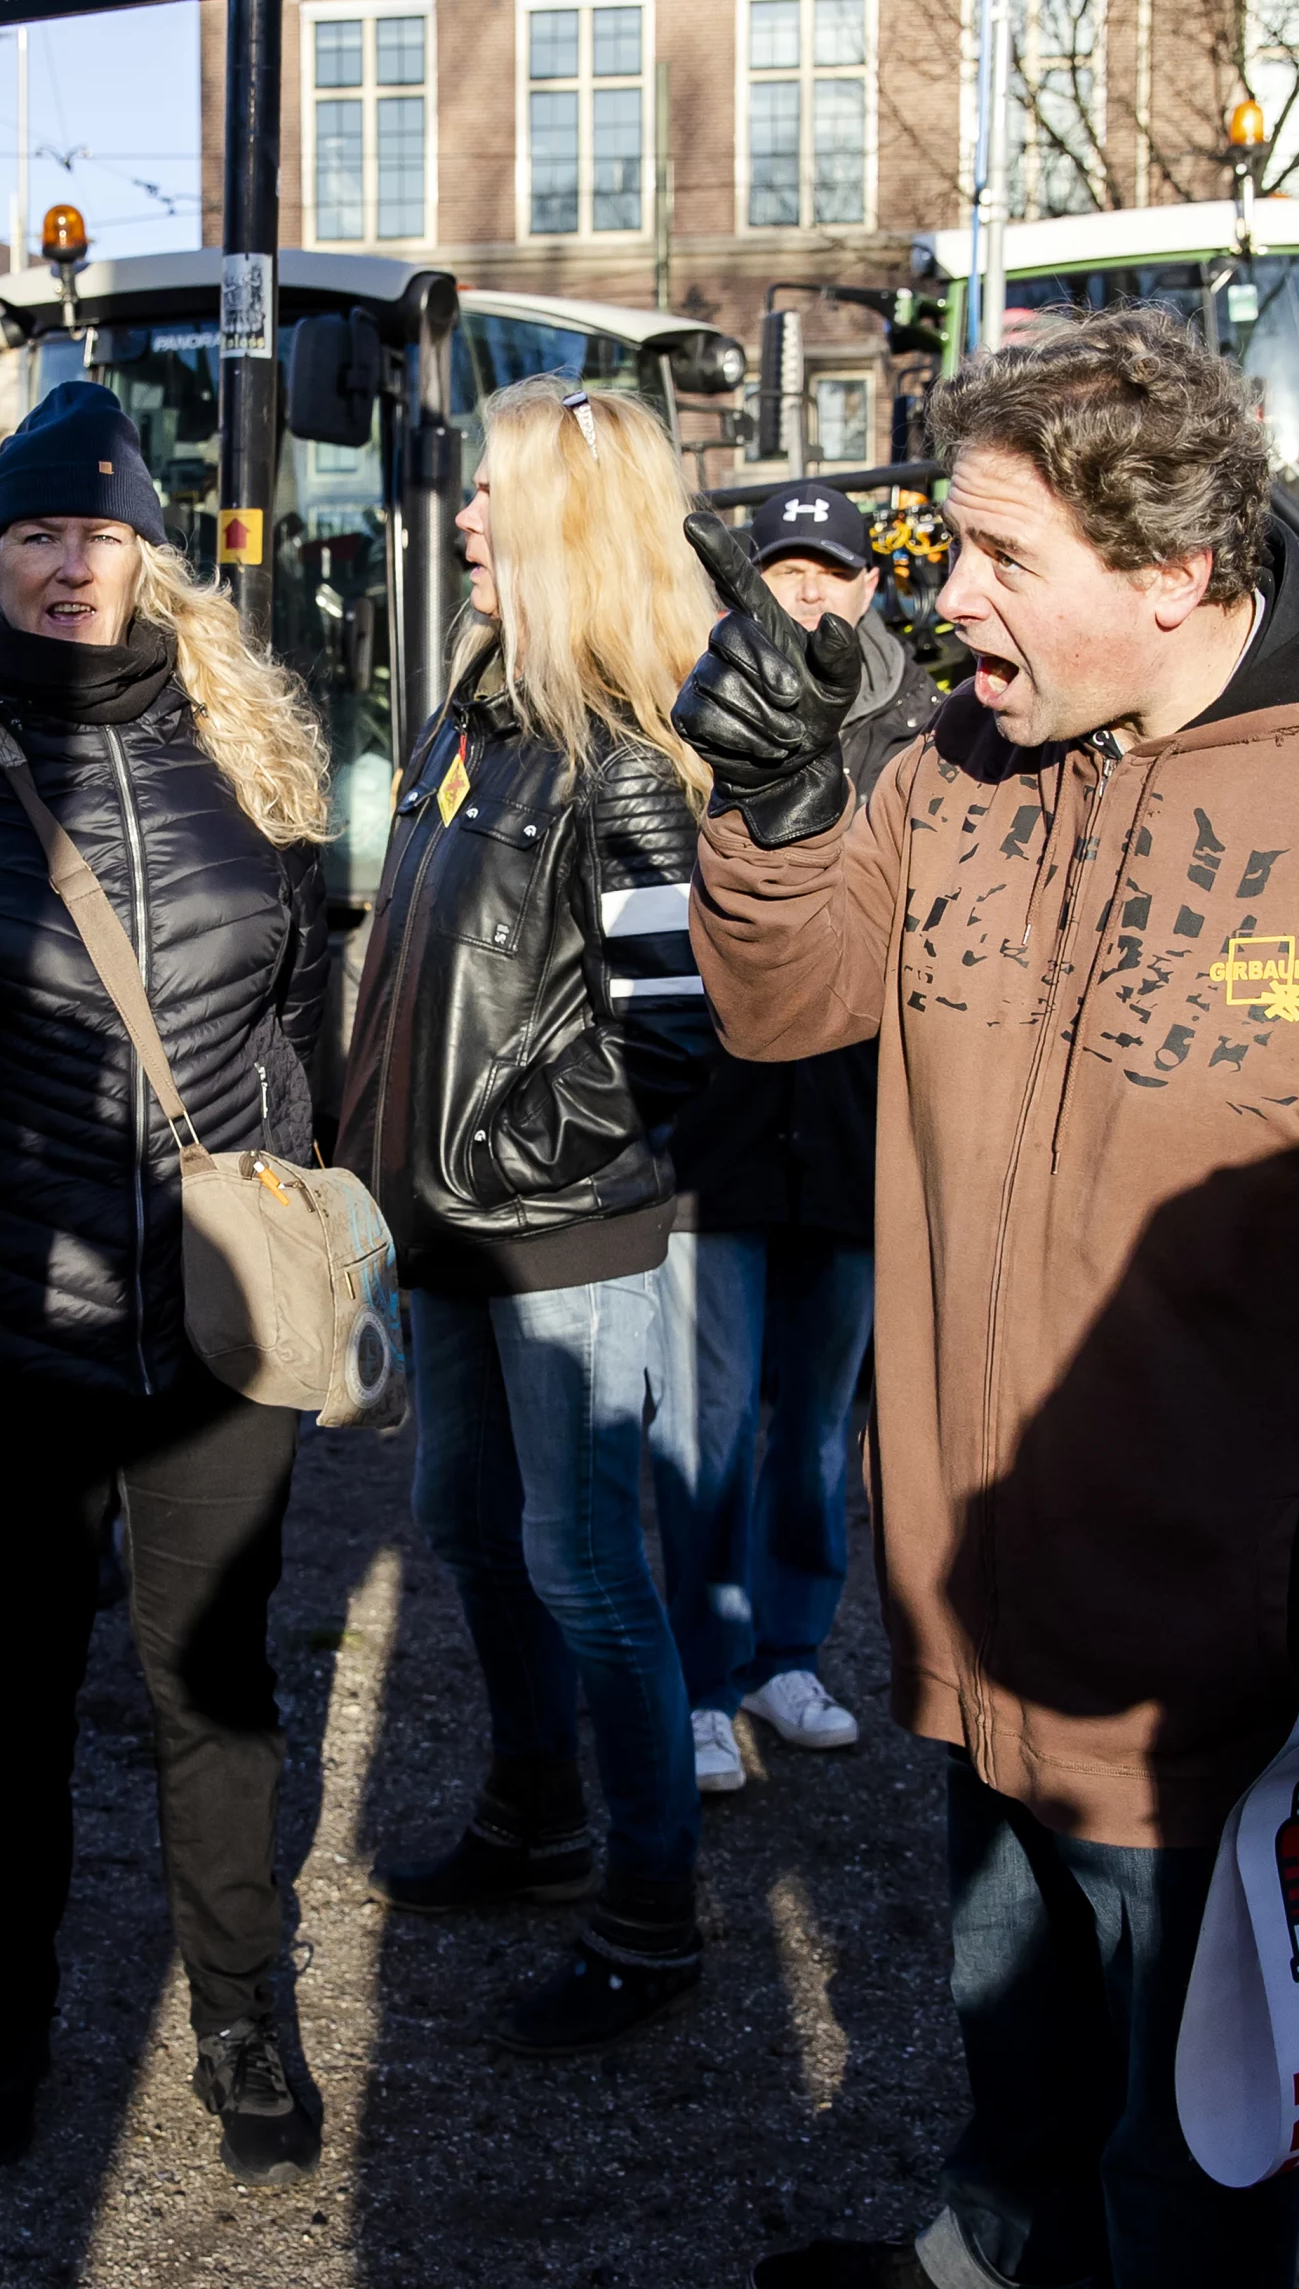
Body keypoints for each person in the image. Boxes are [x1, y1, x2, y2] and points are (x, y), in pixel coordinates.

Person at [678, 307, 1299, 2289]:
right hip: (978, 1622)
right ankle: (983, 2255)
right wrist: (782, 797)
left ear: (1175, 573)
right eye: (945, 545)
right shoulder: (957, 757)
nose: (943, 596)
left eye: (1000, 559)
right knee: (1018, 2055)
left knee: (1186, 2159)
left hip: (1219, 1681)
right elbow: (780, 997)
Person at [0, 380, 336, 2184]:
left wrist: (274, 1164)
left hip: (217, 1304)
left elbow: (295, 996)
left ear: (148, 554)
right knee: (15, 1680)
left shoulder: (246, 744)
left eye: (100, 531)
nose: (68, 563)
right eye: (36, 530)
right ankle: (10, 2004)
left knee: (214, 1674)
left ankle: (242, 2007)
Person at [347, 378, 722, 2055]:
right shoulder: (472, 720)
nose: (467, 520)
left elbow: (679, 1042)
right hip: (451, 1226)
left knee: (588, 1571)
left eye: (492, 495)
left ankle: (652, 1912)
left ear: (571, 523)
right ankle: (534, 1811)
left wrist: (507, 1161)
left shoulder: (628, 762)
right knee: (467, 1522)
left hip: (556, 1228)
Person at [658, 480, 940, 1793]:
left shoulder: (929, 741)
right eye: (785, 570)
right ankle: (705, 1679)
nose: (810, 590)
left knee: (820, 1426)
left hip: (859, 1135)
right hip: (717, 1136)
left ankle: (787, 1648)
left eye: (831, 569)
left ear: (869, 587)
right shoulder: (697, 718)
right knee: (706, 1424)